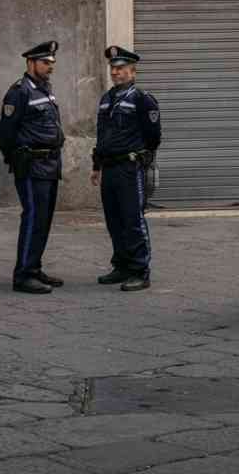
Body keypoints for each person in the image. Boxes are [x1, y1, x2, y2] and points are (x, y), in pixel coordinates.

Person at [0, 41, 66, 295]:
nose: (50, 67)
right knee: (33, 218)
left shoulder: (45, 89)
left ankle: (34, 267)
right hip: (32, 166)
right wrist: (16, 159)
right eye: (45, 62)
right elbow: (5, 132)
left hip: (49, 164)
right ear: (31, 63)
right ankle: (23, 275)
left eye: (51, 63)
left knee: (44, 220)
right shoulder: (19, 91)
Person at [91, 46, 162, 292]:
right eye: (113, 68)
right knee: (114, 220)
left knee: (133, 219)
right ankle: (121, 265)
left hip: (130, 168)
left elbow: (153, 135)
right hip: (109, 168)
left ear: (133, 72)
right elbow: (102, 135)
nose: (116, 72)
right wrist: (96, 165)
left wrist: (143, 158)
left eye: (121, 68)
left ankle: (140, 270)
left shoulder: (142, 99)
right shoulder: (107, 99)